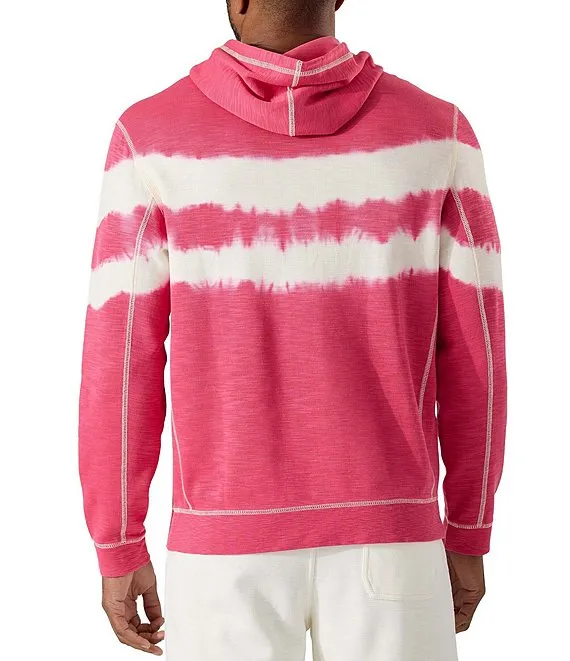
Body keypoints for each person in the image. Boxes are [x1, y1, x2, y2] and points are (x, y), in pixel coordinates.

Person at [79, 0, 507, 658]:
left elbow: (120, 358)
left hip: (222, 553)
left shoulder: (150, 138)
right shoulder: (438, 135)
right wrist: (470, 527)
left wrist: (117, 539)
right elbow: (478, 356)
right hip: (391, 541)